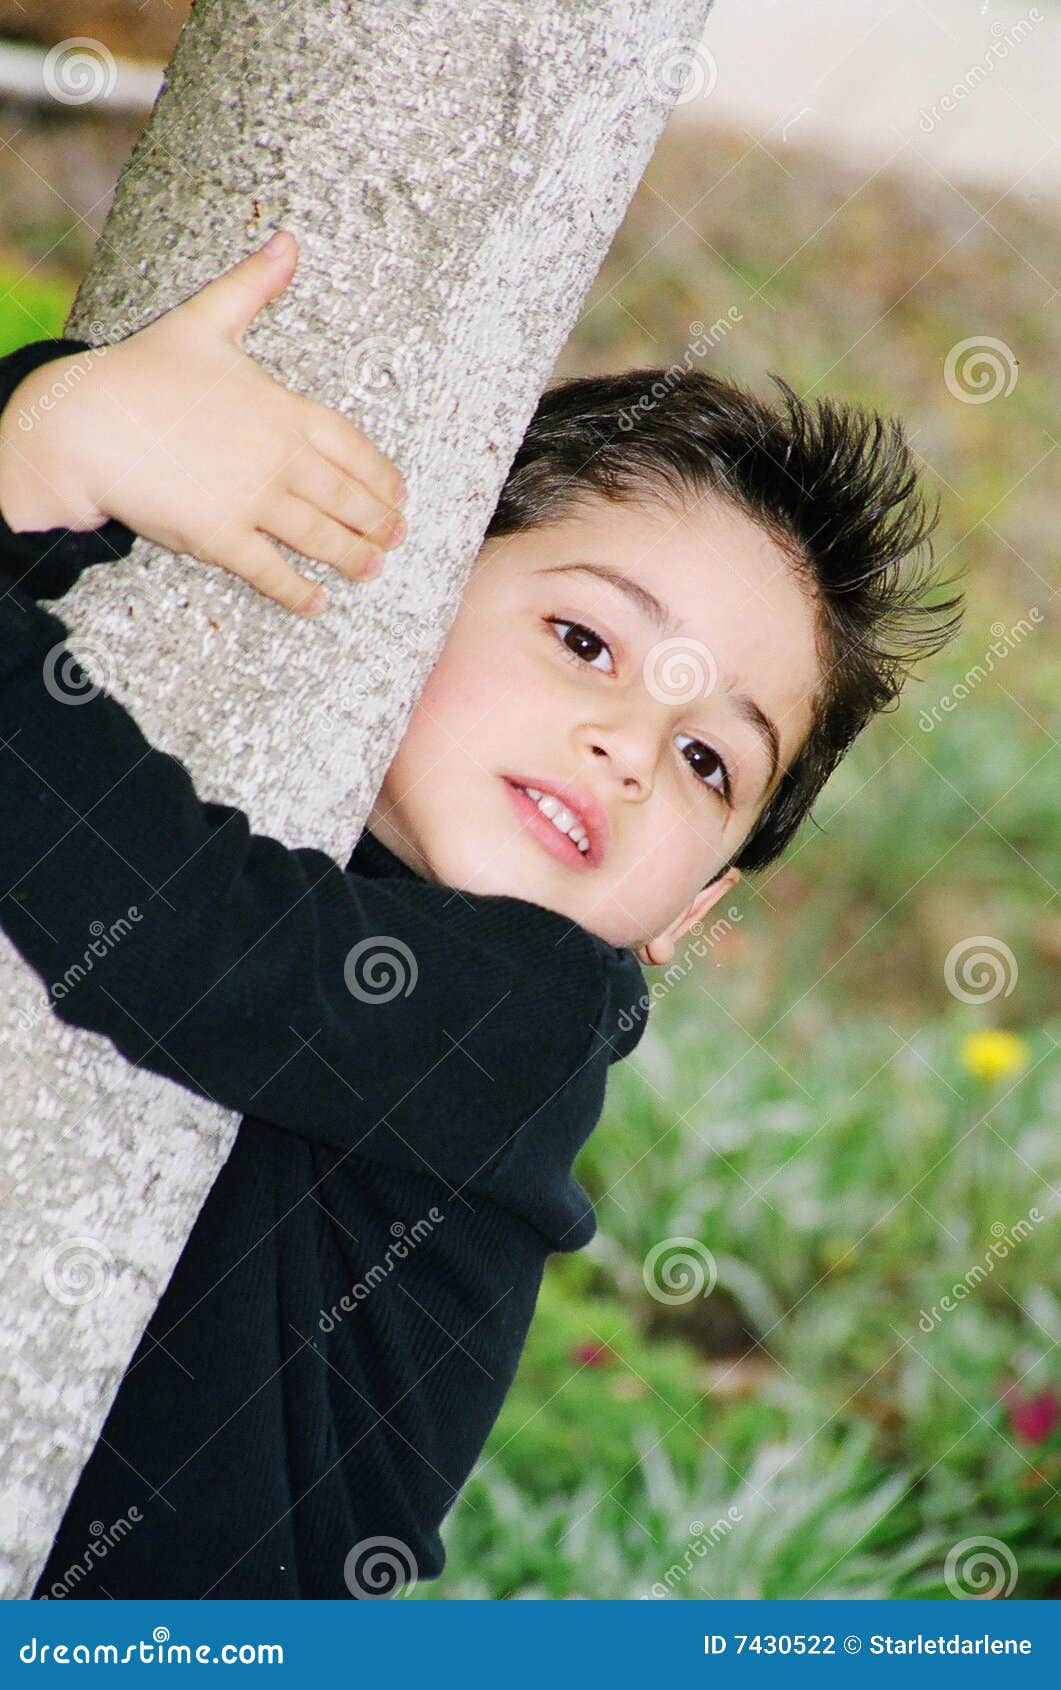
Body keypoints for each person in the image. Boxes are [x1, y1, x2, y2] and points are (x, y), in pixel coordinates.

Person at [0, 232, 963, 1599]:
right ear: (416, 588)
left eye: (707, 761)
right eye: (584, 642)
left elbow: (184, 936)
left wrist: (44, 450)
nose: (628, 745)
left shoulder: (529, 1018)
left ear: (686, 912)